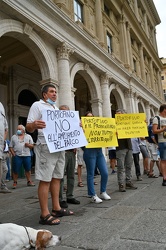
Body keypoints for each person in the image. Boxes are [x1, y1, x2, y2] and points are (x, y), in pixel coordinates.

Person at [26, 84, 73, 225]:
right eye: (51, 92)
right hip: (45, 147)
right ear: (44, 94)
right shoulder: (37, 105)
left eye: (56, 92)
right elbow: (28, 127)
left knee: (57, 177)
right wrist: (34, 125)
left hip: (59, 147)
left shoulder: (55, 109)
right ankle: (44, 214)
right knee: (45, 179)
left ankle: (56, 208)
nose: (54, 94)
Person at [82, 111, 111, 203]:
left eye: (91, 117)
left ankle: (103, 191)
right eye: (88, 117)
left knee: (105, 172)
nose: (90, 119)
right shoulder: (82, 127)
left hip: (99, 151)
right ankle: (92, 194)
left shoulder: (97, 125)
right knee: (91, 174)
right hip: (89, 151)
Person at [59, 104, 80, 208]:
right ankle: (60, 199)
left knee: (71, 175)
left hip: (72, 152)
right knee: (60, 176)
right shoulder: (56, 123)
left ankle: (70, 196)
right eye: (62, 111)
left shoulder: (73, 123)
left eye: (67, 111)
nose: (65, 113)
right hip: (62, 152)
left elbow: (76, 134)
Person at [116, 109, 137, 192]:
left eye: (120, 115)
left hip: (129, 146)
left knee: (129, 165)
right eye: (117, 115)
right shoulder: (113, 124)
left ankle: (128, 181)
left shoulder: (128, 123)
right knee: (121, 167)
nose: (118, 116)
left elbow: (137, 127)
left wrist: (142, 123)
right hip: (120, 147)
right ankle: (121, 183)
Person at [9, 124, 35, 189]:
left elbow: (33, 146)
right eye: (17, 129)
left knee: (28, 169)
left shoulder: (28, 136)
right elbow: (10, 146)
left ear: (23, 130)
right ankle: (15, 182)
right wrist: (13, 154)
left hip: (27, 155)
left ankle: (29, 181)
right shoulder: (13, 137)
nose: (18, 130)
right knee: (15, 169)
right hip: (17, 156)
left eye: (19, 129)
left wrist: (28, 145)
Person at [152, 104, 166, 186]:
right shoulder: (156, 118)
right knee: (164, 160)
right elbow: (154, 131)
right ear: (164, 110)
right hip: (162, 141)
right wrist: (163, 129)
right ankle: (164, 178)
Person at [0, 102, 11, 193]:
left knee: (5, 169)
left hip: (2, 151)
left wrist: (2, 141)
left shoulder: (1, 107)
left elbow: (6, 129)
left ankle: (2, 185)